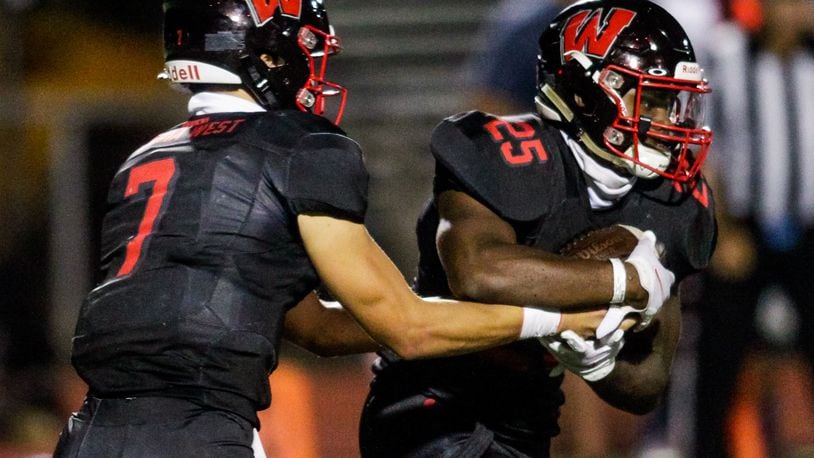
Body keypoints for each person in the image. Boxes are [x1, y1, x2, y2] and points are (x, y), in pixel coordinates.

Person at [51, 1, 614, 456]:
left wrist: (454, 311)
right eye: (303, 51)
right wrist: (554, 316)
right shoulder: (305, 148)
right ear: (267, 57)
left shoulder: (144, 159)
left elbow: (314, 325)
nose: (311, 67)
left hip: (92, 430)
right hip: (199, 428)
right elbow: (407, 329)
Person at [359, 1, 717, 456]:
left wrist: (601, 362)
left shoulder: (667, 200)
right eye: (653, 100)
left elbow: (649, 380)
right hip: (433, 400)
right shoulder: (505, 153)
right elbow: (476, 273)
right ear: (591, 92)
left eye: (673, 103)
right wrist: (624, 281)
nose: (668, 121)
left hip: (529, 416)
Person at [694, 0, 814, 455]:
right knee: (719, 361)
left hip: (809, 230)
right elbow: (702, 147)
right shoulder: (725, 53)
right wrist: (720, 228)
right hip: (744, 229)